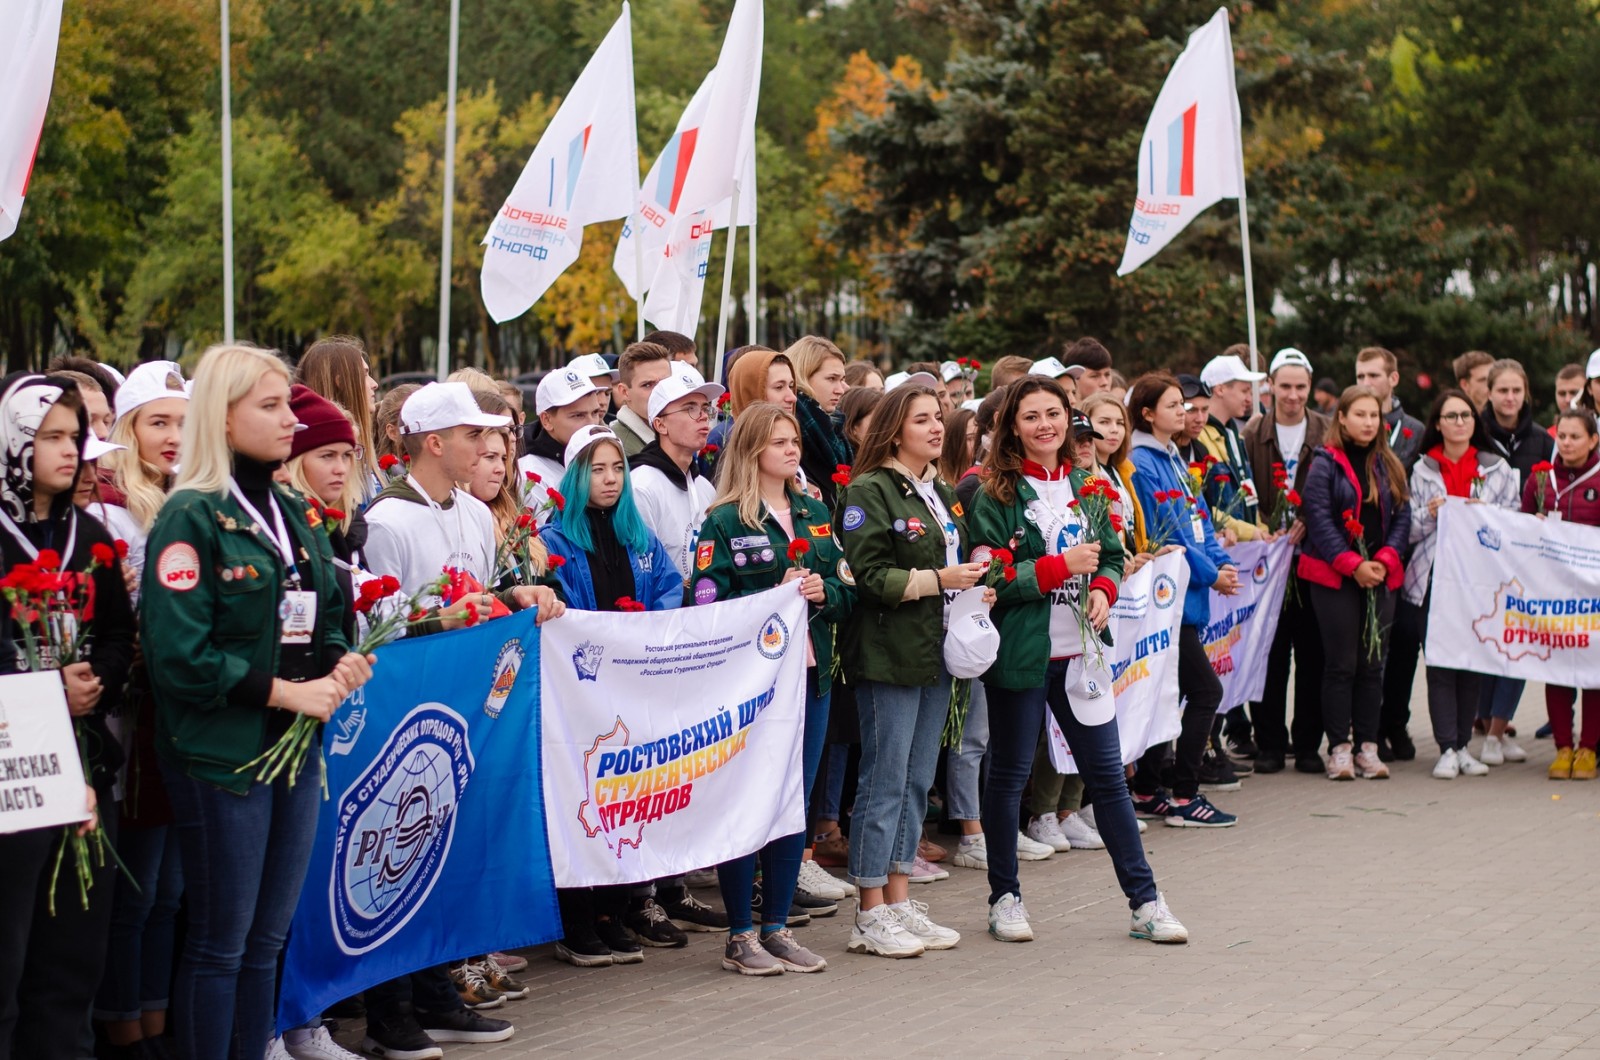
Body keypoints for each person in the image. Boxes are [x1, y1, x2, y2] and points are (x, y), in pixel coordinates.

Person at [139, 346, 371, 1060]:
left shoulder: (290, 510)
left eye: (285, 404)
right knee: (222, 941)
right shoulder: (191, 516)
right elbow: (180, 656)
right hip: (223, 755)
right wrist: (285, 691)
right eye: (268, 407)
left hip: (294, 749)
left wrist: (339, 662)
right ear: (224, 415)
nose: (286, 421)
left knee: (268, 939)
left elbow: (326, 609)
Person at [968, 376, 1187, 943]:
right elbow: (988, 576)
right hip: (1022, 656)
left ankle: (1145, 901)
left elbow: (1112, 556)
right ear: (1012, 426)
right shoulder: (991, 492)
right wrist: (1059, 567)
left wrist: (1104, 590)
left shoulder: (1091, 485)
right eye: (1032, 416)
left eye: (1054, 413)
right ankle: (1005, 896)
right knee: (1011, 775)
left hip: (1083, 660)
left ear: (1069, 419)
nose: (1045, 425)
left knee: (1108, 780)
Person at [0, 373, 135, 1060]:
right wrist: (47, 686)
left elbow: (117, 631)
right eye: (49, 436)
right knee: (8, 959)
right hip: (11, 776)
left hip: (85, 758)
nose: (68, 450)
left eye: (73, 436)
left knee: (74, 953)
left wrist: (96, 681)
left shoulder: (92, 533)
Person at [692, 403, 852, 974]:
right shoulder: (726, 520)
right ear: (751, 449)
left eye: (794, 440)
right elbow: (704, 605)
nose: (792, 449)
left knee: (793, 804)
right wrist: (770, 595)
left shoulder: (813, 510)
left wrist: (820, 592)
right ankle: (740, 935)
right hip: (753, 687)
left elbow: (846, 591)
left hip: (813, 677)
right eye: (778, 441)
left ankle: (777, 927)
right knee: (747, 802)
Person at [836, 384, 985, 957]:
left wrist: (972, 588)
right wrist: (940, 583)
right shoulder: (869, 490)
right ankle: (868, 910)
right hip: (889, 653)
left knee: (919, 778)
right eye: (922, 419)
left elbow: (951, 561)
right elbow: (867, 576)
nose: (935, 428)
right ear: (895, 428)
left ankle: (898, 899)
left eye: (939, 418)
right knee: (884, 780)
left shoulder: (940, 491)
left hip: (935, 651)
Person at [540, 425, 690, 964]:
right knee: (581, 798)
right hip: (582, 693)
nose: (609, 479)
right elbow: (562, 610)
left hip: (633, 687)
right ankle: (577, 917)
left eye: (617, 469)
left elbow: (671, 588)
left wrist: (647, 623)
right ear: (576, 476)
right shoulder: (554, 539)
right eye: (597, 469)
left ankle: (617, 906)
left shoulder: (638, 535)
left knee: (624, 799)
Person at [1127, 373, 1240, 826]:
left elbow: (1199, 521)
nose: (1185, 412)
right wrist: (1213, 574)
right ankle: (1185, 795)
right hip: (1168, 594)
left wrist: (1219, 563)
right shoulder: (1142, 460)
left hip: (1187, 594)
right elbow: (1167, 533)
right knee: (1205, 690)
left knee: (1166, 692)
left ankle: (1150, 786)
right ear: (1148, 413)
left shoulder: (1175, 456)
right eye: (1174, 405)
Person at [1404, 390, 1520, 780]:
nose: (1459, 422)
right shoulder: (1421, 470)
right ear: (1437, 423)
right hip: (1433, 579)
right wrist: (1431, 514)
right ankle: (1445, 748)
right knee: (1439, 663)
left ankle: (1464, 747)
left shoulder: (1497, 469)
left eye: (1466, 415)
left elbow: (1514, 524)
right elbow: (1407, 530)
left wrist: (1487, 516)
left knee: (1470, 662)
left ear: (1475, 422)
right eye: (1451, 416)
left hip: (1479, 582)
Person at [1299, 385, 1410, 781]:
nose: (1367, 422)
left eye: (1373, 415)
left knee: (1373, 664)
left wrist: (1384, 558)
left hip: (1380, 575)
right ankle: (1339, 748)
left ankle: (1368, 746)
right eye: (1359, 414)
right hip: (1335, 577)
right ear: (1341, 418)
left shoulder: (1389, 462)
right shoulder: (1325, 461)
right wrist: (1351, 564)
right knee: (1341, 664)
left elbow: (1401, 518)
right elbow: (1318, 517)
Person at [1241, 348, 1330, 774]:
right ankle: (1270, 743)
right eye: (1285, 386)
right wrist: (1261, 526)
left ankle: (1309, 743)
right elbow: (1240, 493)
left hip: (1313, 560)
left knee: (1313, 655)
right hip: (1267, 561)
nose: (1292, 395)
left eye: (1300, 387)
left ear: (1309, 387)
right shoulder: (1253, 432)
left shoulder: (1327, 431)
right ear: (1270, 387)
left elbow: (1335, 490)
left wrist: (1310, 523)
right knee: (1269, 655)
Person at [1525, 409, 1600, 780]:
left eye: (1574, 437)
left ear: (1593, 440)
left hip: (1593, 595)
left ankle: (1588, 748)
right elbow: (1519, 529)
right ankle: (1562, 746)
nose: (1566, 443)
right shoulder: (1540, 479)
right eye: (1562, 437)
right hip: (1551, 591)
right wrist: (1532, 524)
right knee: (1556, 667)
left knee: (1592, 671)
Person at [631, 365, 723, 584]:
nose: (703, 417)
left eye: (704, 408)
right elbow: (641, 568)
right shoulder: (641, 486)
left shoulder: (704, 487)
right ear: (660, 425)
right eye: (690, 408)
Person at [296, 336, 383, 502]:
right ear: (340, 382)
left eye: (347, 455)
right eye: (364, 375)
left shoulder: (364, 459)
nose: (374, 384)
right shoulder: (323, 477)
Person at [518, 367, 604, 506]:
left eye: (595, 413)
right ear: (547, 420)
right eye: (578, 415)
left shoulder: (602, 454)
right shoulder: (531, 475)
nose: (591, 423)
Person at [786, 337, 853, 509]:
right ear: (803, 376)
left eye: (842, 379)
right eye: (832, 378)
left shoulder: (833, 430)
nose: (842, 388)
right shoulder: (788, 429)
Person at [1355, 347, 1424, 468]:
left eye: (1373, 375)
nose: (1365, 383)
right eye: (1360, 377)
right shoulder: (1347, 426)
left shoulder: (1416, 431)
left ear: (1393, 379)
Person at [609, 341, 673, 458]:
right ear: (624, 392)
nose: (659, 392)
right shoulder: (618, 449)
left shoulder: (675, 433)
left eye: (665, 383)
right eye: (647, 385)